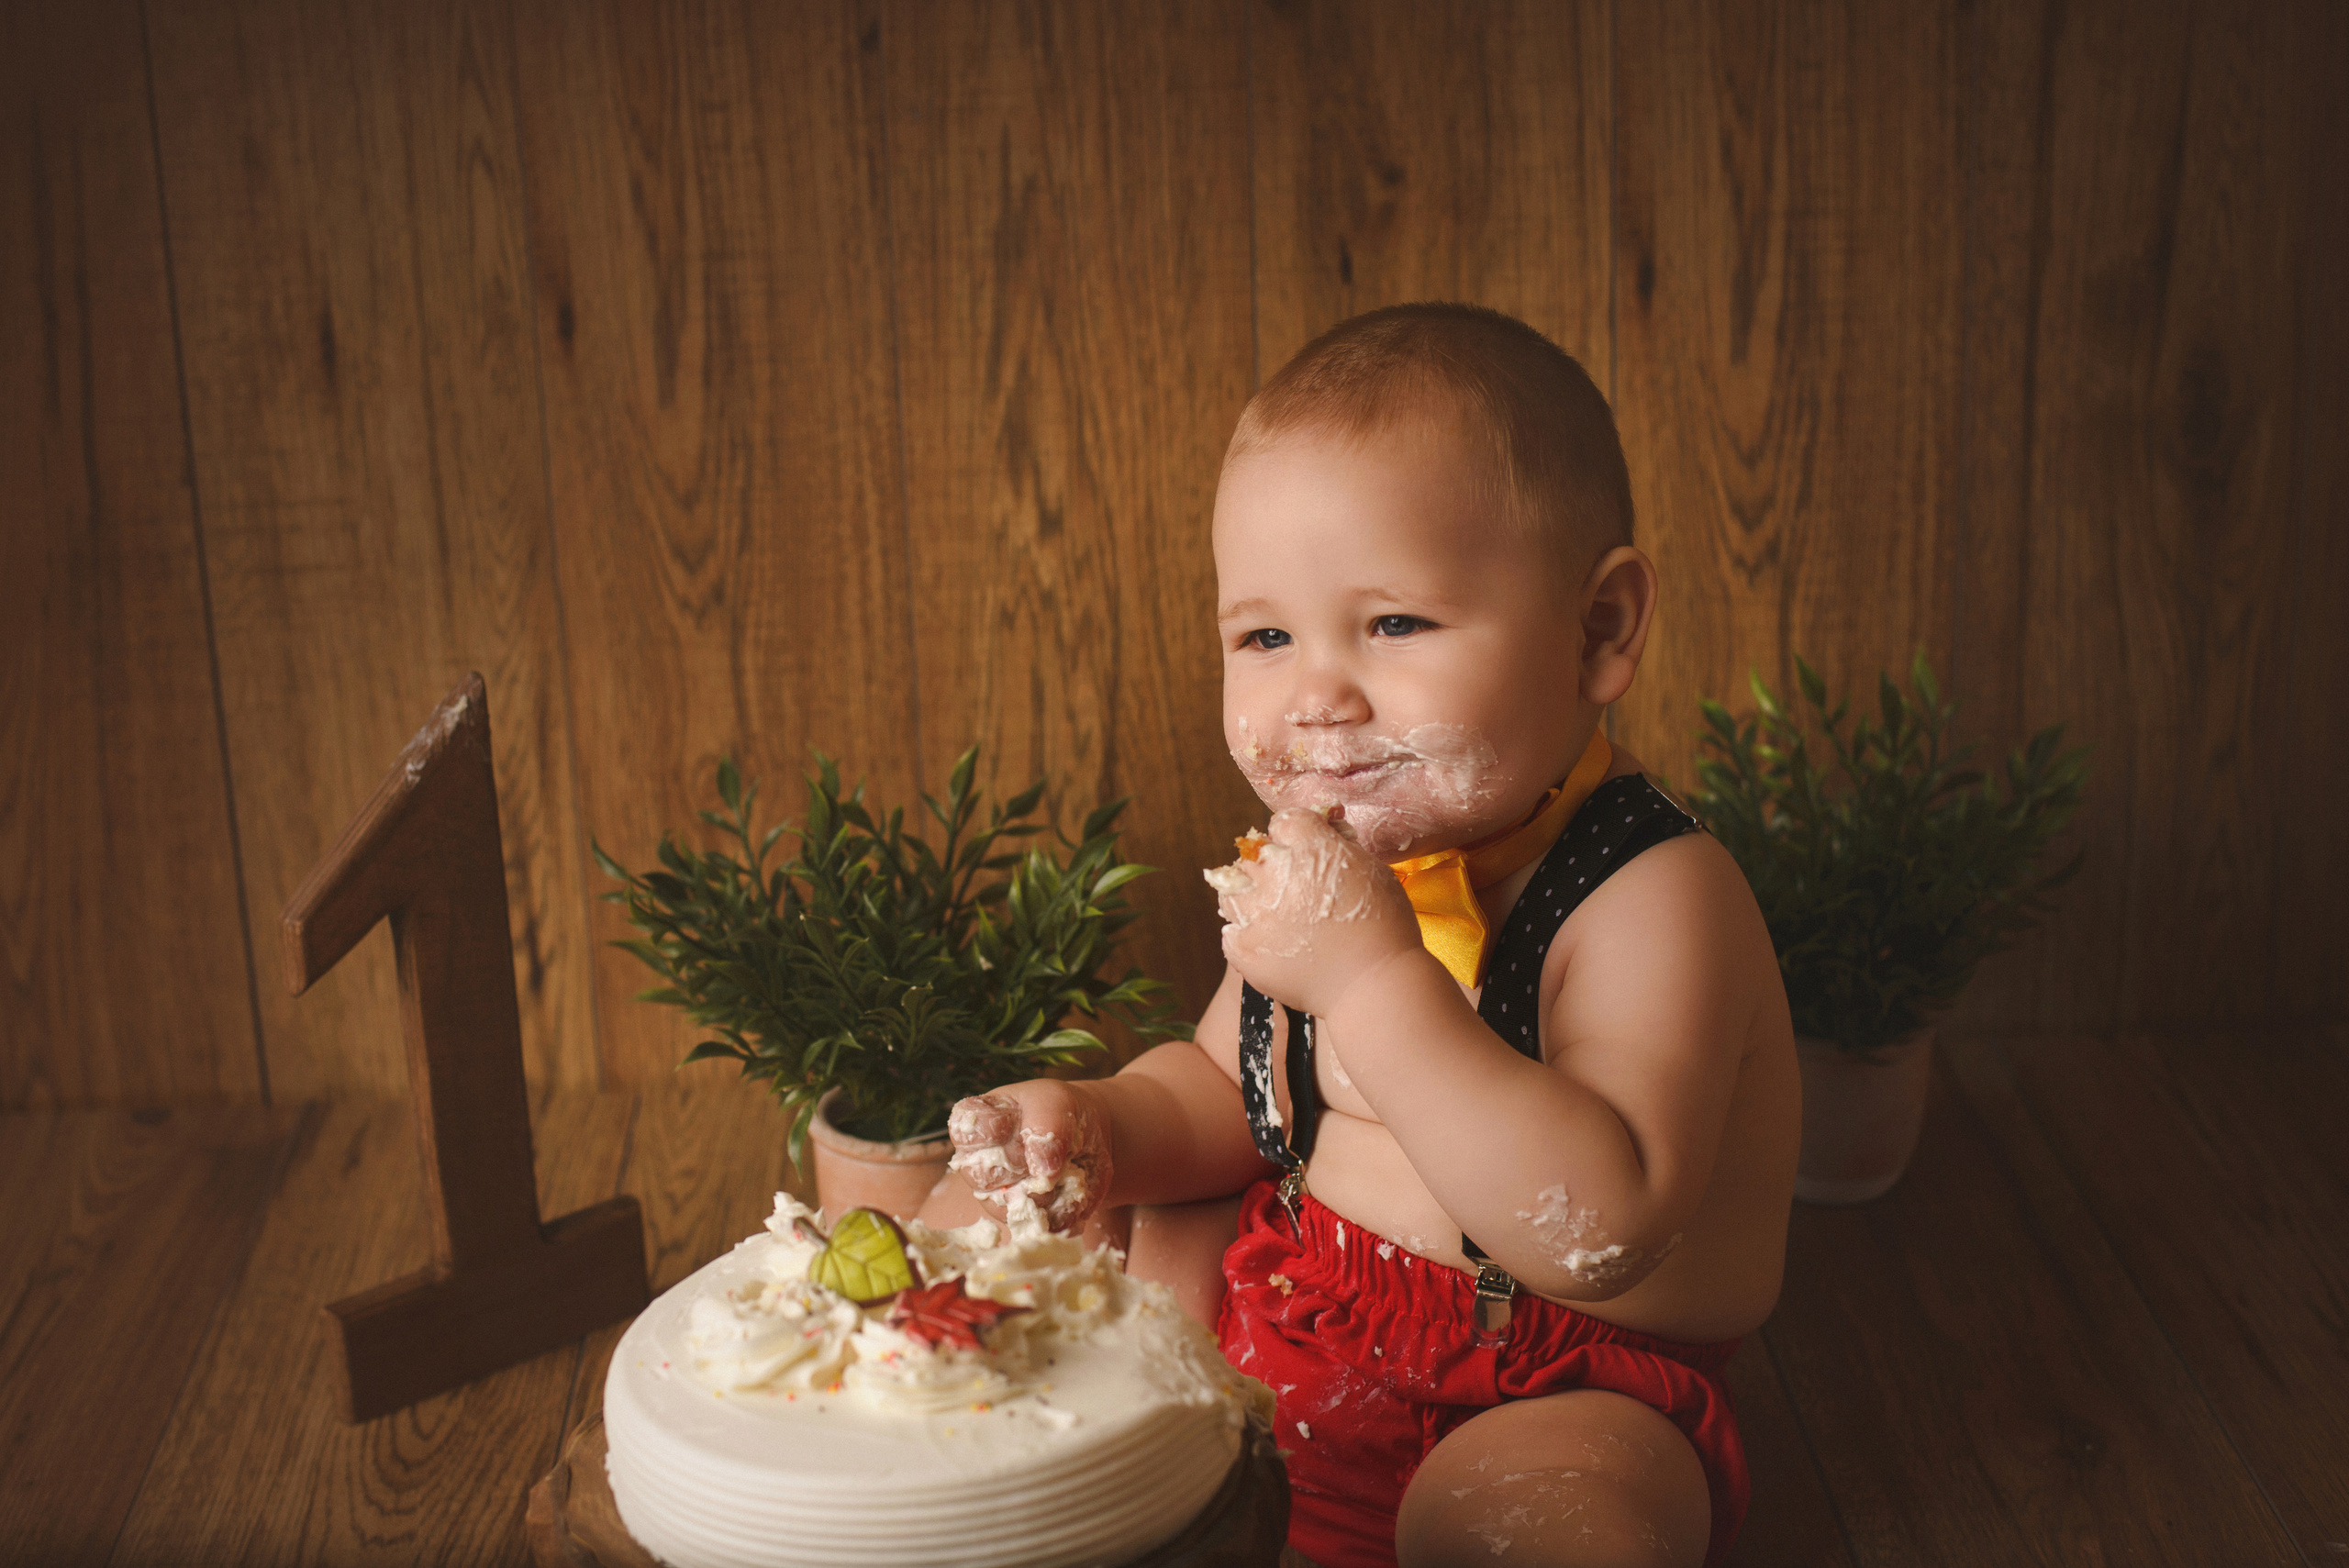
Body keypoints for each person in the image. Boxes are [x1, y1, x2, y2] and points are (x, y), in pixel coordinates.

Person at [921, 303, 1798, 1568]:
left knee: (1525, 1518)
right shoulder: (1327, 871)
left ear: (1598, 629)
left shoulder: (1651, 895)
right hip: (1305, 1312)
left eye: (1394, 623)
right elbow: (1232, 1094)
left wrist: (1375, 975)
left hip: (1556, 1380)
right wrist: (1104, 1124)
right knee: (1031, 1236)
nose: (1318, 695)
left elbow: (1601, 1224)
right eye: (1266, 637)